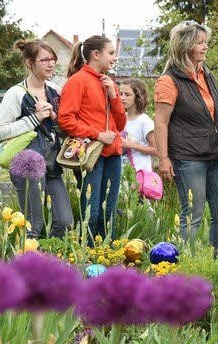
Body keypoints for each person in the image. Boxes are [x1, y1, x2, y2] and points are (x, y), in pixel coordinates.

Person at [154, 21, 218, 255]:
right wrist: (164, 159)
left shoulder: (206, 74)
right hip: (188, 158)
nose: (205, 46)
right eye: (200, 42)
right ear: (185, 46)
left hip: (216, 154)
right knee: (193, 213)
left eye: (205, 41)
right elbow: (161, 122)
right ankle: (186, 264)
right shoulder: (168, 81)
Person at [0, 39, 73, 239]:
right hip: (26, 163)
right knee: (33, 225)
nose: (51, 64)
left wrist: (54, 119)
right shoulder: (16, 93)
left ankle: (52, 264)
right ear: (30, 63)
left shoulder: (55, 90)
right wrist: (34, 118)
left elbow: (63, 131)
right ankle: (26, 266)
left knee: (65, 223)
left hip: (52, 164)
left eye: (53, 59)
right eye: (44, 60)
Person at [58, 35, 126, 244]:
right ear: (96, 54)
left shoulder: (108, 82)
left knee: (109, 211)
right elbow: (65, 119)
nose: (115, 58)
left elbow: (121, 124)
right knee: (93, 210)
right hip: (91, 154)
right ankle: (87, 259)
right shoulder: (78, 81)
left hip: (113, 153)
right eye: (111, 53)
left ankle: (108, 257)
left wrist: (113, 95)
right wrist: (97, 134)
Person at [119, 78, 157, 174]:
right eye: (120, 94)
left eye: (127, 94)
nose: (122, 98)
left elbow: (157, 150)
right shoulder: (120, 118)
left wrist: (130, 144)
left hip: (141, 173)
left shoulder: (145, 121)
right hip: (122, 173)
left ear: (138, 96)